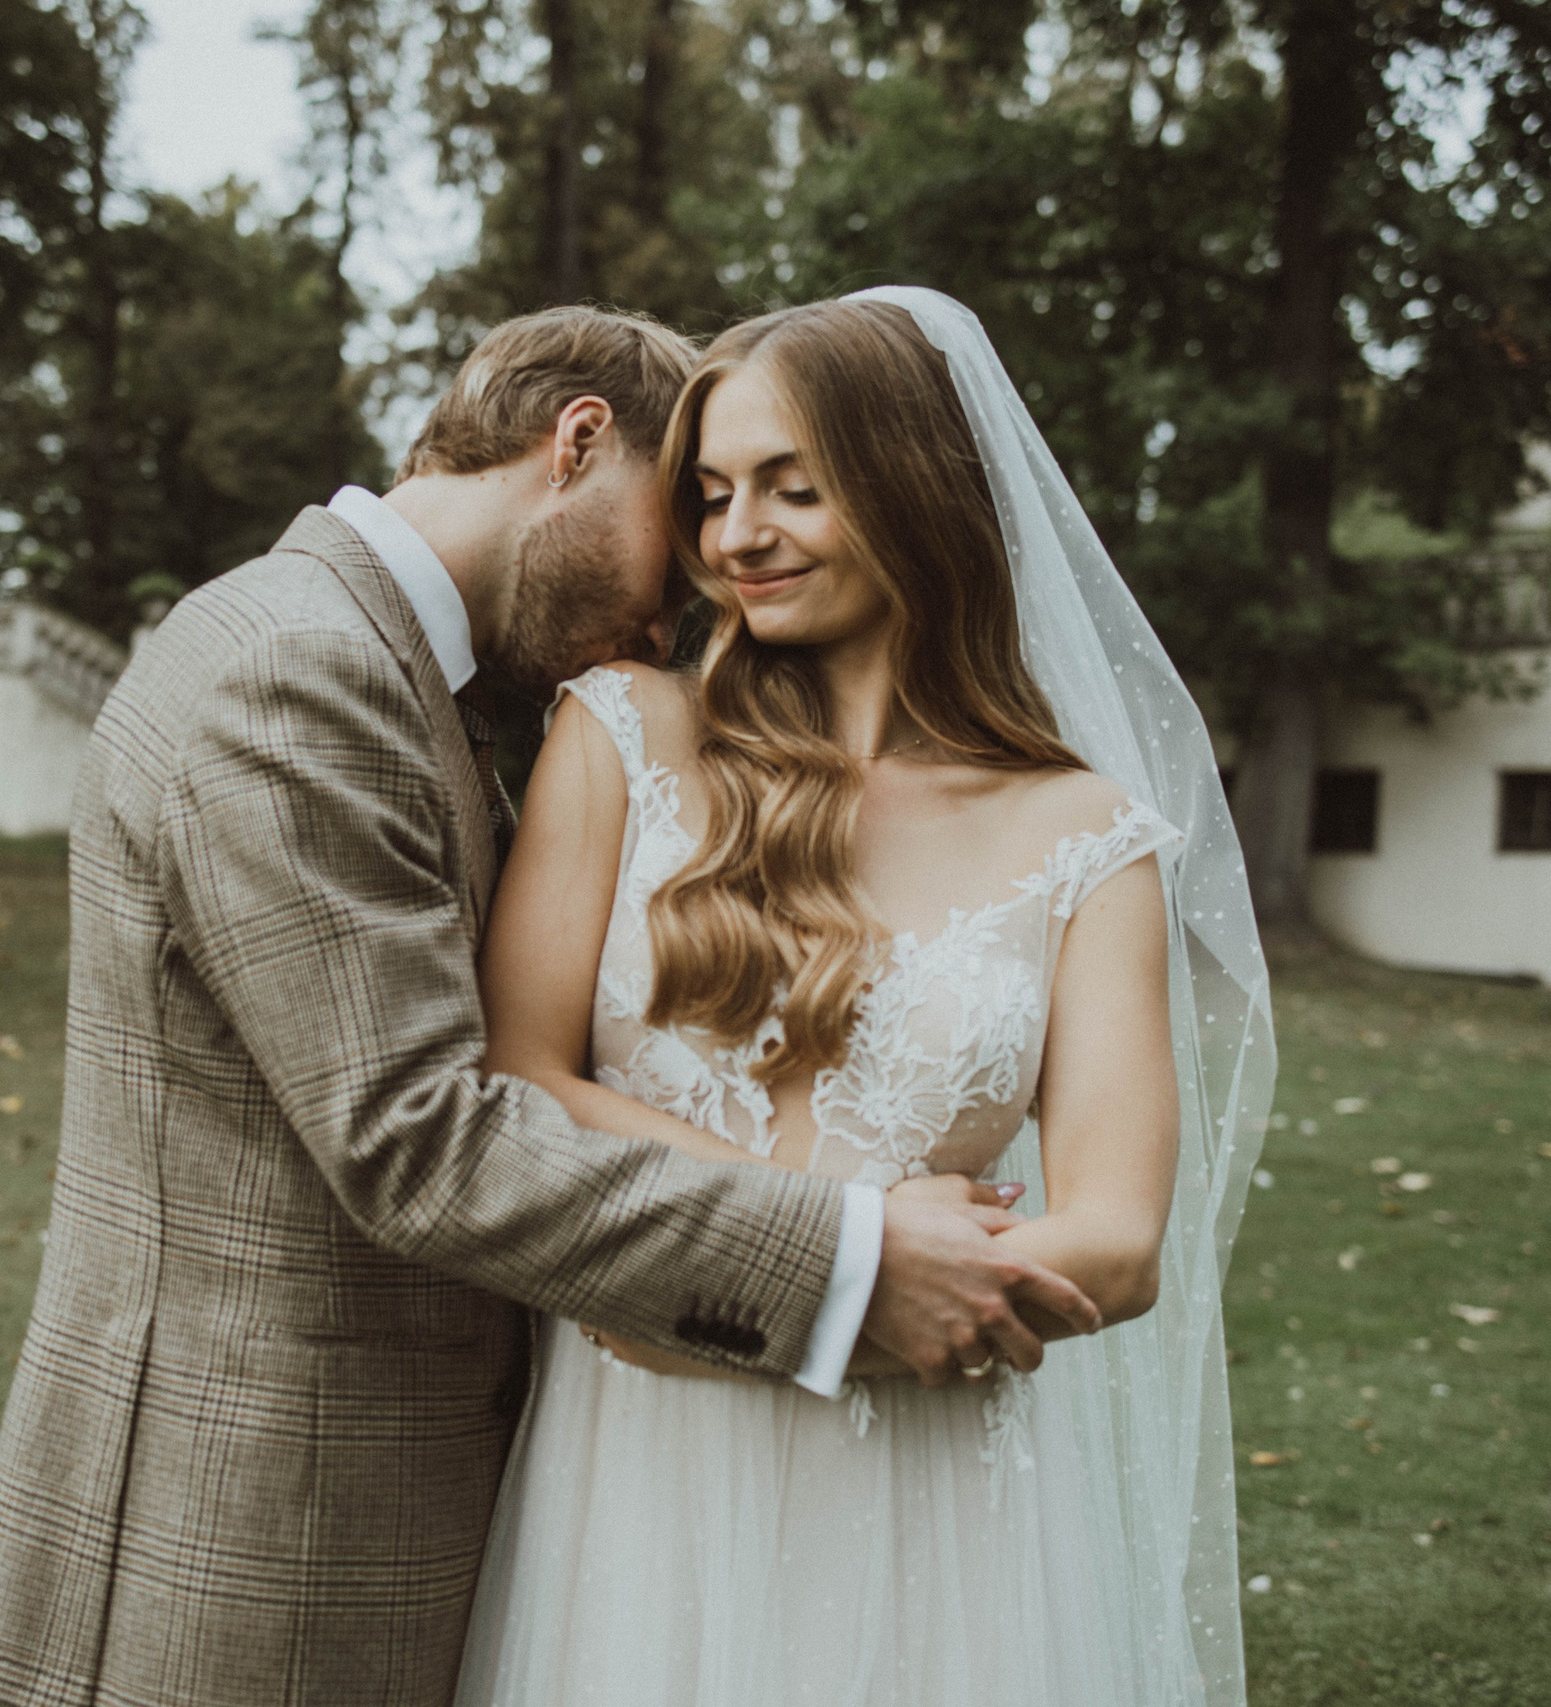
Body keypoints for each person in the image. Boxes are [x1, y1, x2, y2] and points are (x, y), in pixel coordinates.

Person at [0, 304, 1097, 1707]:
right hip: (242, 1526)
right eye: (676, 543)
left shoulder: (392, 670)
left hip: (378, 1506)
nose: (677, 618)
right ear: (579, 444)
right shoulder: (294, 670)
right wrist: (846, 1257)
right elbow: (414, 1136)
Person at [453, 290, 1275, 1707]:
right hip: (641, 1467)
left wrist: (859, 1322)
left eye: (794, 487)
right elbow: (524, 1082)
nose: (736, 538)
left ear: (913, 486)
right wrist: (840, 1255)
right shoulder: (620, 733)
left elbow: (1121, 1239)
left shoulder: (1087, 835)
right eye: (710, 495)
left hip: (928, 1495)